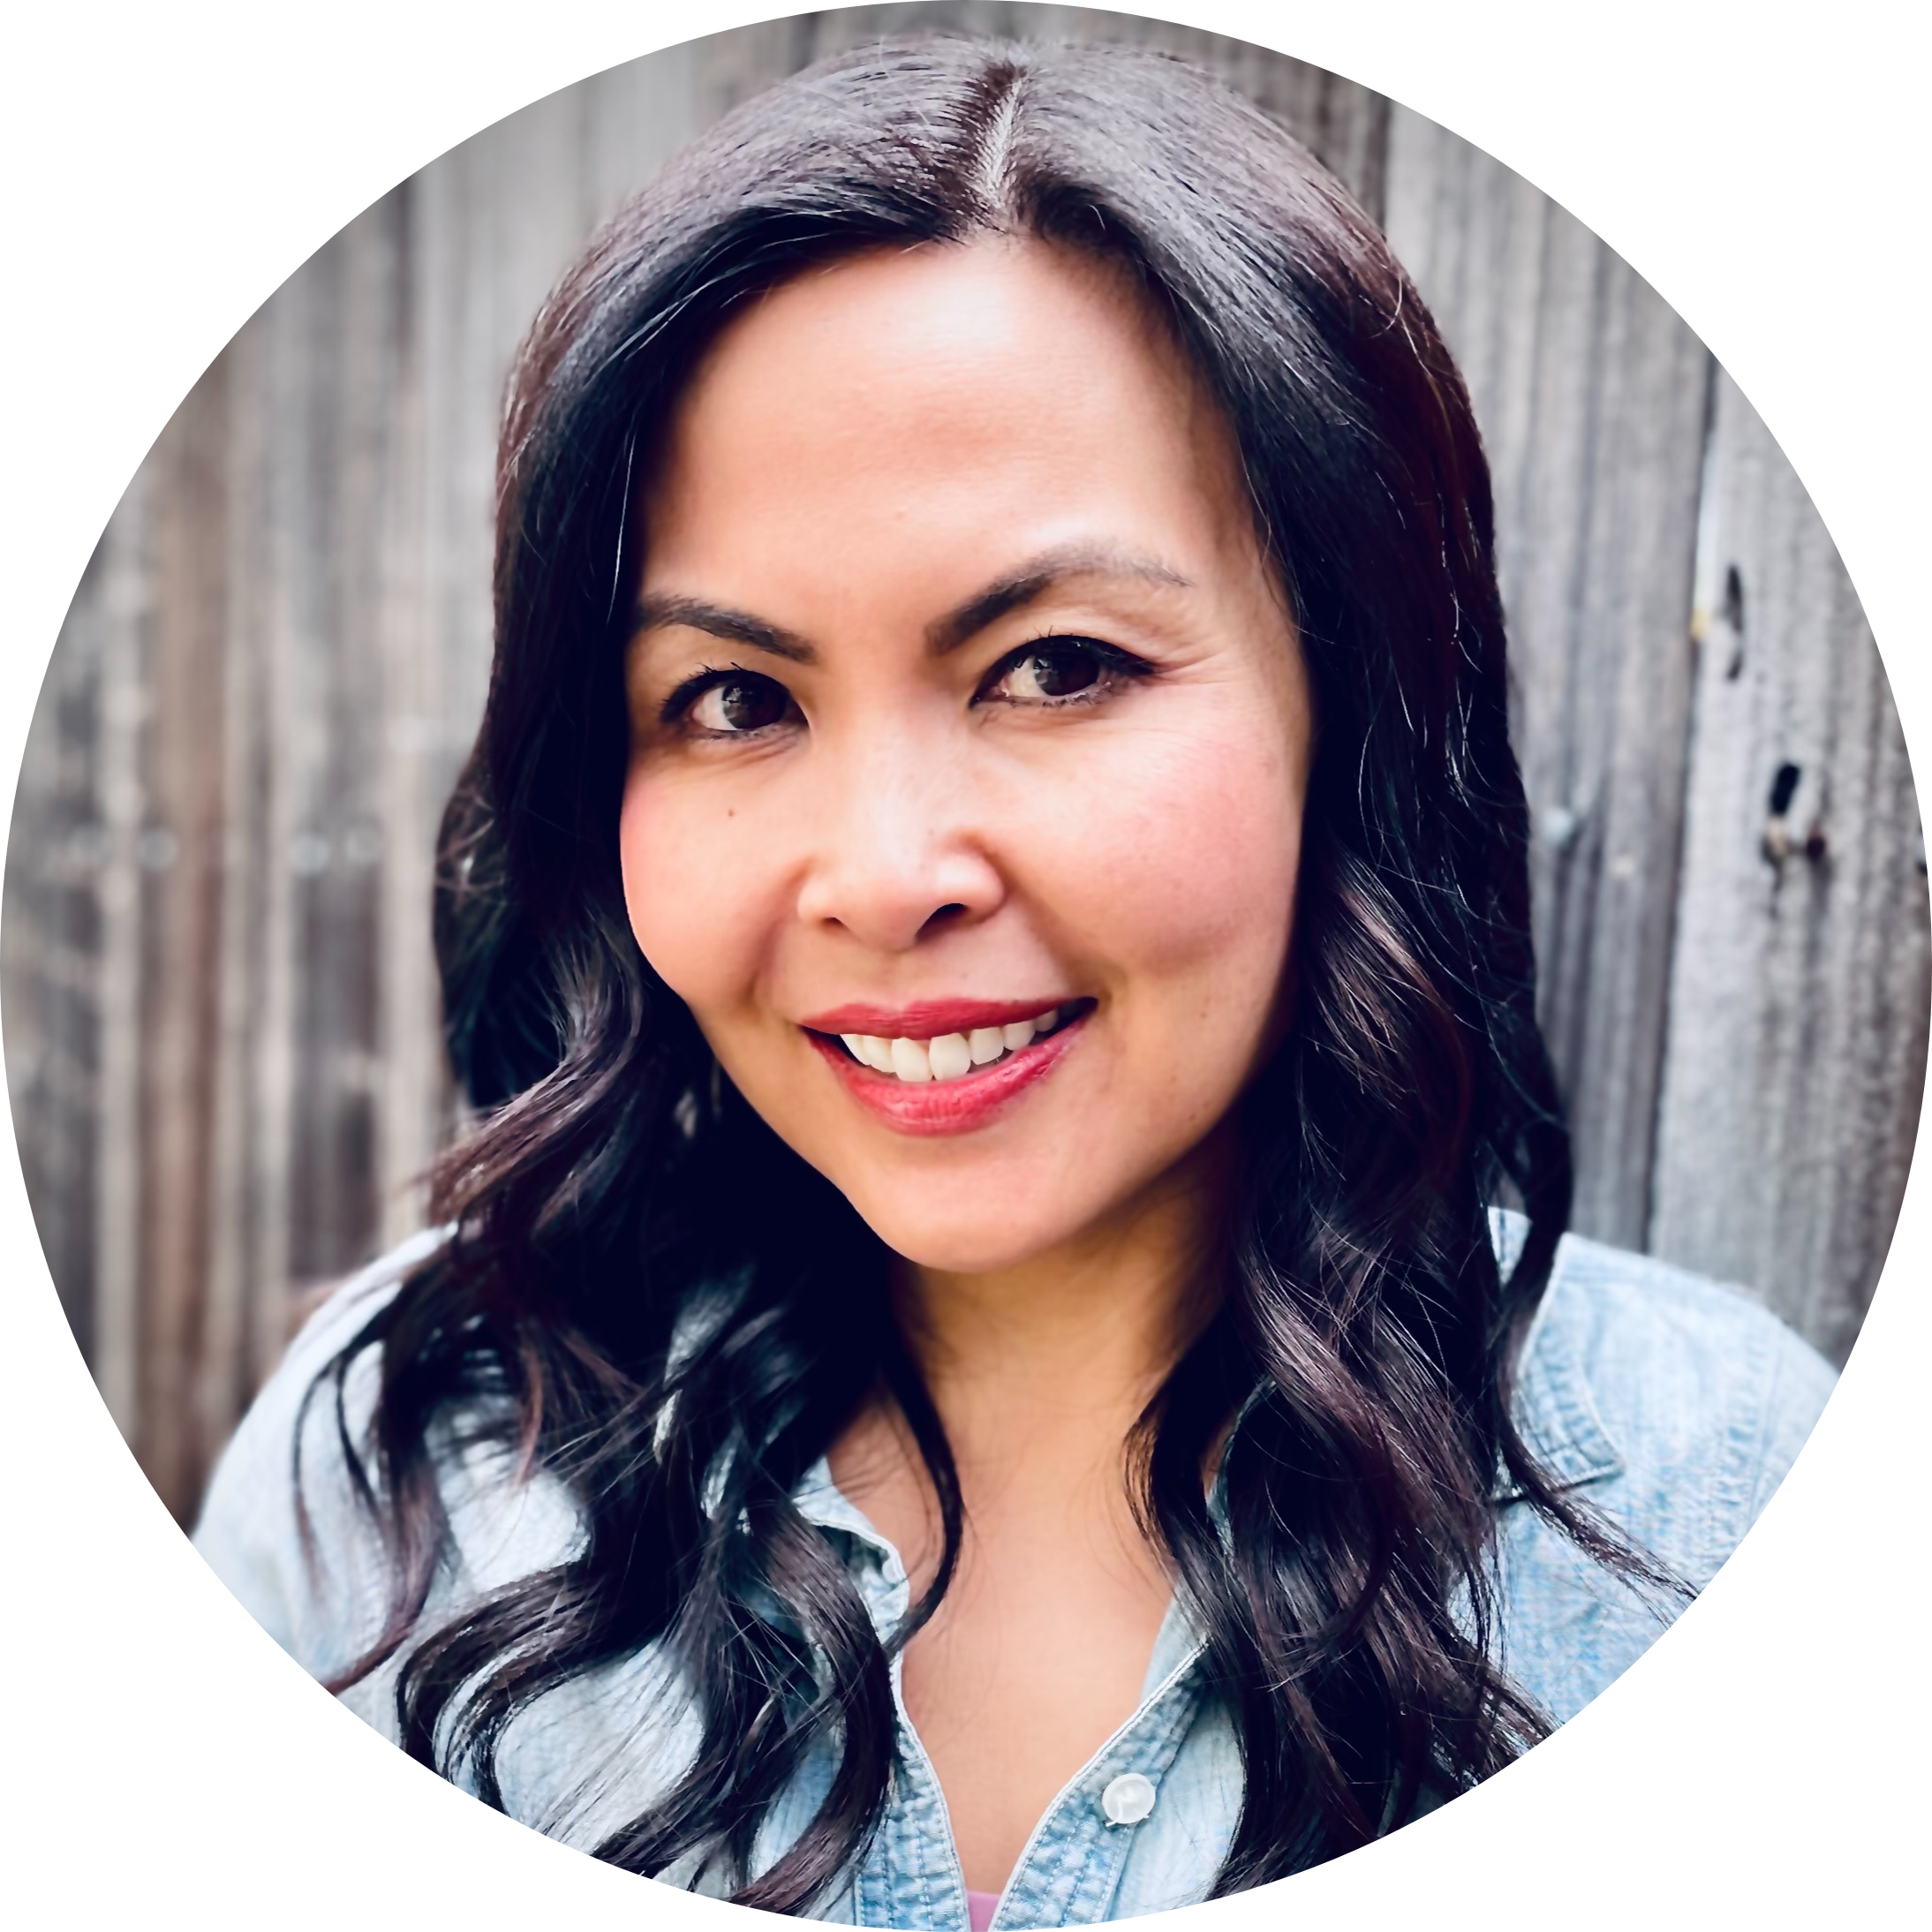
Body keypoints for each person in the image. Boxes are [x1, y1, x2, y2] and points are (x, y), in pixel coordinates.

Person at [191, 34, 1839, 1930]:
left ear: (1354, 713)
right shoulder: (406, 1458)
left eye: (1054, 666)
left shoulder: (1716, 1502)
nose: (887, 874)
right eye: (733, 700)